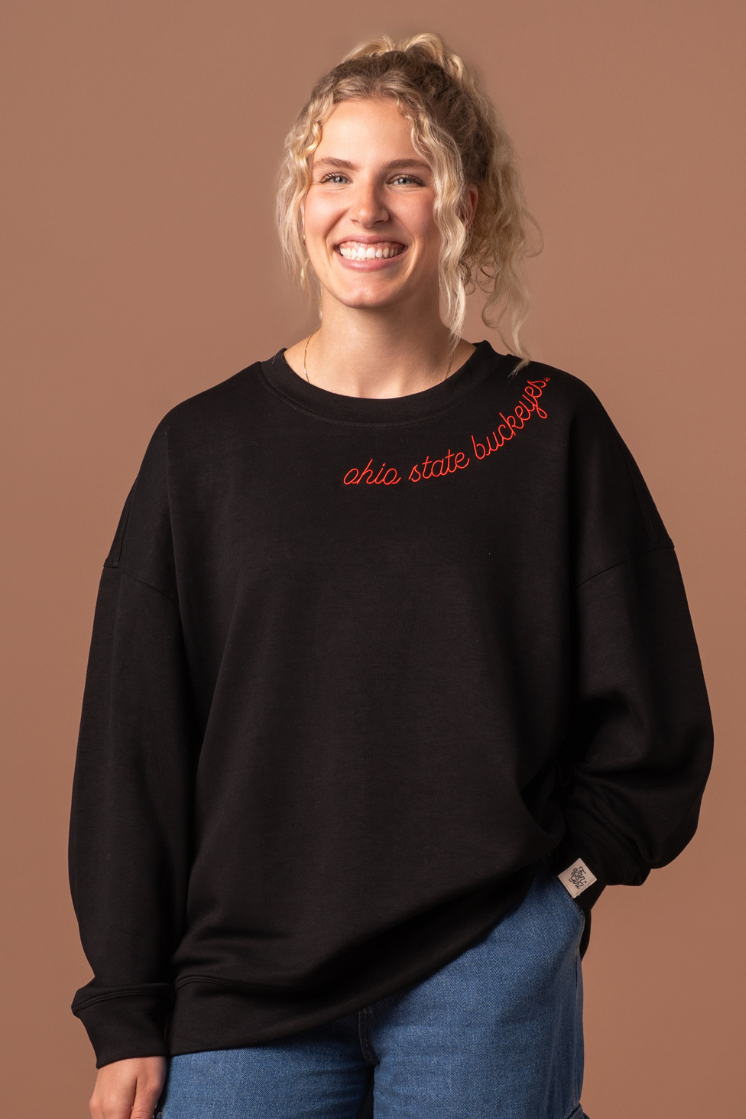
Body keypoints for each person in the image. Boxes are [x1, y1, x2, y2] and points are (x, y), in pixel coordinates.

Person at [68, 32, 714, 1119]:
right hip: (243, 993)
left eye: (402, 177)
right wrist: (128, 1008)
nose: (363, 211)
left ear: (460, 206)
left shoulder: (545, 430)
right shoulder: (204, 451)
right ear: (299, 200)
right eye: (335, 176)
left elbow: (655, 720)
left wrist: (553, 901)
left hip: (478, 976)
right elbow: (133, 746)